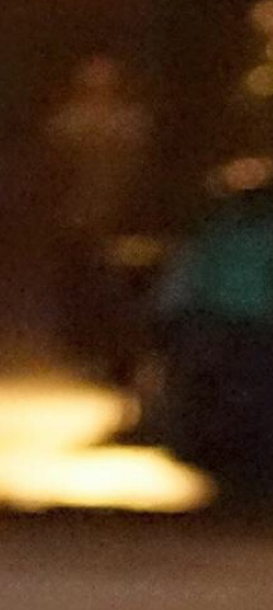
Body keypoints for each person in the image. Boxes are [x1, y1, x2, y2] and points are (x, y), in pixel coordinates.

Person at [44, 55, 151, 379]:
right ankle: (90, 349)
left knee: (113, 288)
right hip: (81, 220)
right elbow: (54, 175)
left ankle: (113, 354)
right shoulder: (69, 125)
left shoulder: (127, 124)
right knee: (86, 288)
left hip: (115, 220)